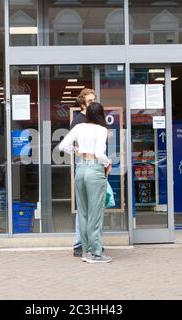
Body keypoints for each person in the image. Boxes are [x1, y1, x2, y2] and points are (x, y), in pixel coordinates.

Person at [59, 102, 113, 263]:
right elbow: (99, 153)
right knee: (95, 214)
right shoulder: (101, 129)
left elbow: (62, 146)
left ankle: (85, 251)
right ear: (100, 115)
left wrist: (76, 151)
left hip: (80, 168)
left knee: (83, 212)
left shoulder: (79, 127)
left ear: (87, 113)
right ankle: (96, 253)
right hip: (95, 169)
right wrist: (107, 162)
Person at [70, 88, 97, 257]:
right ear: (82, 104)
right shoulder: (78, 121)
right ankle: (79, 243)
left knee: (94, 207)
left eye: (95, 100)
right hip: (84, 165)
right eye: (90, 101)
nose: (94, 103)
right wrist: (80, 151)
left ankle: (93, 243)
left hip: (96, 165)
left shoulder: (96, 120)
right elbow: (71, 144)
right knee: (83, 207)